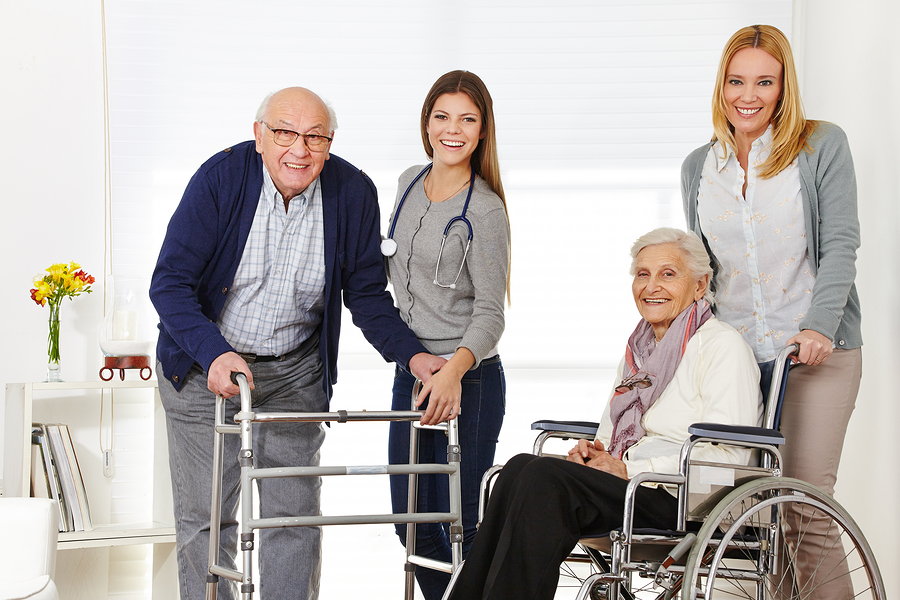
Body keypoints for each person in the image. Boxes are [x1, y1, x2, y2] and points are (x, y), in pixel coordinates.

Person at [149, 87, 445, 600]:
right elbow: (169, 283)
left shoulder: (352, 192)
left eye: (315, 137)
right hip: (204, 367)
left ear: (330, 144)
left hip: (293, 371)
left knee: (295, 517)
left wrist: (416, 356)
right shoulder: (220, 179)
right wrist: (215, 353)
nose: (299, 150)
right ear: (259, 134)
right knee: (208, 517)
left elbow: (368, 296)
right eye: (285, 133)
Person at [444, 228, 762, 600]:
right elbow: (611, 437)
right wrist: (596, 455)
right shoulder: (639, 350)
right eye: (642, 274)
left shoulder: (722, 346)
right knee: (518, 469)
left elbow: (728, 460)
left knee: (545, 480)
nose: (651, 286)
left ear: (700, 285)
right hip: (631, 487)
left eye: (668, 274)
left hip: (682, 499)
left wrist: (629, 469)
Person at [681, 24, 862, 598]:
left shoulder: (820, 146)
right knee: (753, 518)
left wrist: (817, 327)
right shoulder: (698, 167)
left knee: (804, 510)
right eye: (736, 81)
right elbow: (702, 270)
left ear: (784, 87)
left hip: (813, 355)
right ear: (721, 87)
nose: (748, 96)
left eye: (764, 81)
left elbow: (840, 246)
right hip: (737, 360)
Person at [384, 70, 511, 600]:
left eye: (467, 119)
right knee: (411, 522)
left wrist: (453, 374)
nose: (452, 130)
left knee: (462, 527)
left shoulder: (484, 208)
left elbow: (490, 313)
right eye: (442, 117)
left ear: (482, 131)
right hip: (412, 374)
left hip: (469, 382)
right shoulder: (408, 182)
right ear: (426, 123)